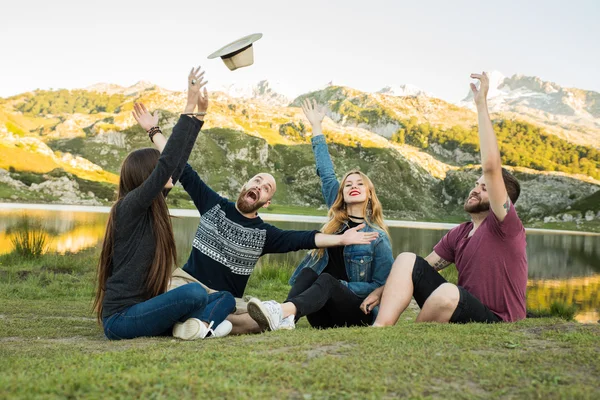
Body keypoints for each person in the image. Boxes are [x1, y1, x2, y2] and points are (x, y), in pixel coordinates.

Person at [135, 103, 381, 335]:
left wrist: (342, 239)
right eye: (256, 181)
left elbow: (305, 238)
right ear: (245, 185)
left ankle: (197, 322)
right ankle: (205, 322)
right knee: (175, 295)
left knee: (261, 320)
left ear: (267, 201)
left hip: (225, 301)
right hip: (187, 286)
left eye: (266, 188)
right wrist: (153, 130)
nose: (259, 187)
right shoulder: (214, 205)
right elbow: (180, 166)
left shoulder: (265, 234)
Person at [363, 72, 527, 325]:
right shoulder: (460, 234)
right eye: (476, 185)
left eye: (485, 188)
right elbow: (419, 269)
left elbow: (492, 166)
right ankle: (381, 330)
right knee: (408, 259)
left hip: (495, 319)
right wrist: (381, 290)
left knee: (449, 293)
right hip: (462, 307)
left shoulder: (506, 226)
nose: (475, 189)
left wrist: (481, 105)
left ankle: (414, 338)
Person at [93, 67, 236, 341]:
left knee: (225, 297)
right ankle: (204, 324)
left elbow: (177, 163)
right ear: (147, 175)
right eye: (158, 169)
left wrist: (199, 117)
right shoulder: (129, 207)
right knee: (194, 293)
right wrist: (188, 104)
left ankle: (196, 327)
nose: (170, 175)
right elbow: (168, 161)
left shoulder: (152, 205)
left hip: (146, 309)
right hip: (122, 319)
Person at [246, 99, 394, 331]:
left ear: (369, 194)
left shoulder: (377, 237)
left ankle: (281, 312)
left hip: (355, 312)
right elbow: (326, 172)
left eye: (359, 184)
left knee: (326, 280)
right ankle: (287, 318)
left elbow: (381, 284)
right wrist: (316, 126)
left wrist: (342, 285)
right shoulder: (336, 223)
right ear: (341, 194)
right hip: (322, 313)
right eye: (347, 184)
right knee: (308, 272)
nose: (353, 186)